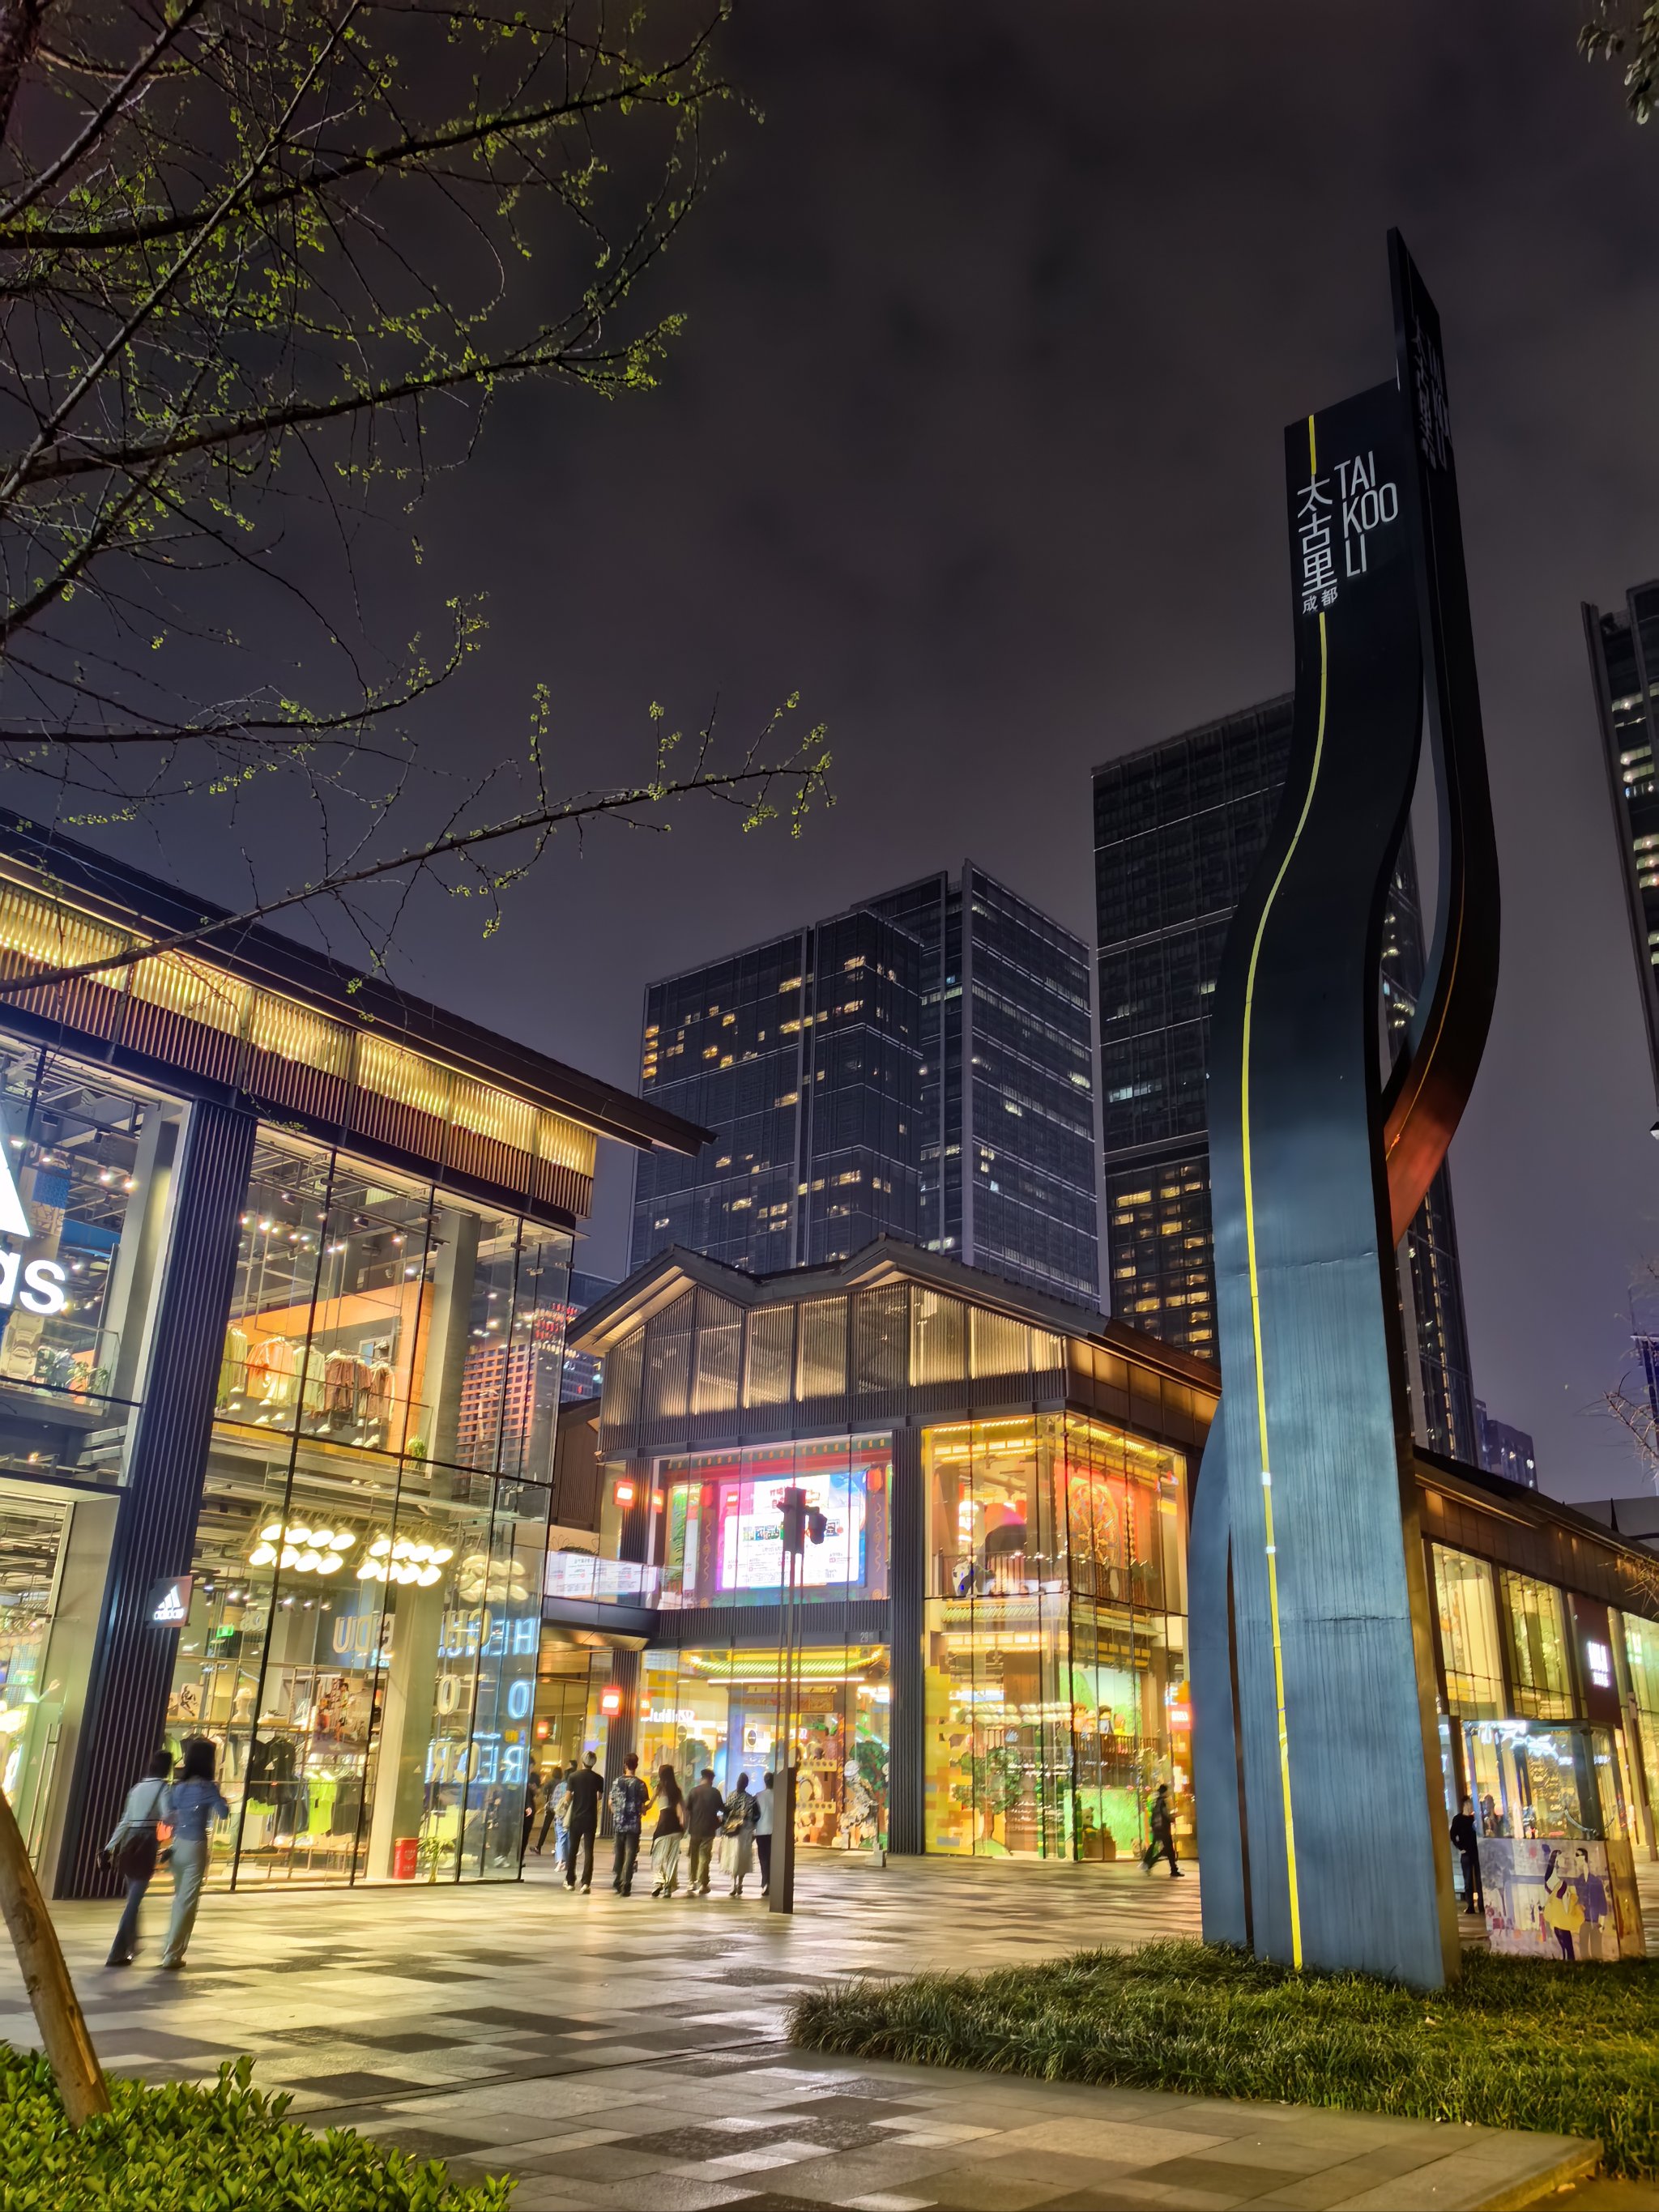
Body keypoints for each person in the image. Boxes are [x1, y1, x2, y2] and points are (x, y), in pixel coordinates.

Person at [160, 1737, 228, 1969]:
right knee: (188, 1902)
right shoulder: (208, 1788)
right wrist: (221, 1800)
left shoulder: (178, 1788)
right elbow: (224, 1813)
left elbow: (168, 1816)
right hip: (196, 1846)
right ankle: (172, 1953)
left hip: (177, 1845)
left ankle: (171, 1947)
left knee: (180, 1899)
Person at [104, 1750, 173, 1967]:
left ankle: (132, 1945)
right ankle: (116, 1952)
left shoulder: (136, 1788)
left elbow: (125, 1820)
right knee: (134, 1900)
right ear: (167, 1768)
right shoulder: (163, 1788)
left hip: (129, 1842)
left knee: (133, 1895)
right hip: (147, 1842)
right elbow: (168, 1814)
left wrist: (110, 1846)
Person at [563, 1750, 604, 1893]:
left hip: (576, 1818)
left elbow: (567, 1798)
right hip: (591, 1818)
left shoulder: (573, 1777)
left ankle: (570, 1881)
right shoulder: (599, 1778)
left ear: (582, 1760)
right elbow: (599, 1797)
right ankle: (586, 1882)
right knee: (589, 1851)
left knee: (573, 1850)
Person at [609, 1754, 647, 1895]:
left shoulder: (616, 1782)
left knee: (619, 1853)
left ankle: (618, 1880)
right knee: (630, 1854)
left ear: (625, 1765)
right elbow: (643, 1809)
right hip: (633, 1825)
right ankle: (626, 1883)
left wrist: (617, 1814)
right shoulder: (641, 1784)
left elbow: (610, 1803)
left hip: (619, 1824)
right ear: (636, 1765)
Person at [684, 1767, 725, 1896]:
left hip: (695, 1829)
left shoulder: (693, 1791)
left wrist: (685, 1826)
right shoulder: (715, 1793)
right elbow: (723, 1809)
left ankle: (691, 1882)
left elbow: (687, 1810)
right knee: (704, 1857)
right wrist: (720, 1821)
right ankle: (703, 1884)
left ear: (702, 1778)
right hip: (708, 1830)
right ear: (710, 1779)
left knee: (693, 1857)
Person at [649, 1762, 684, 1898]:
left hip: (663, 1826)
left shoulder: (659, 1788)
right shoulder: (678, 1789)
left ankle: (658, 1882)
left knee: (658, 1856)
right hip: (675, 1827)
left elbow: (650, 1805)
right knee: (672, 1859)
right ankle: (668, 1887)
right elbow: (683, 1809)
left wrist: (642, 1808)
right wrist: (683, 1824)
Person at [722, 1771, 759, 1898]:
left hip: (732, 1832)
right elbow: (756, 1816)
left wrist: (724, 1827)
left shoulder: (731, 1796)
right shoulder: (750, 1799)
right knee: (742, 1857)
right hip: (745, 1831)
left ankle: (733, 1884)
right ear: (746, 1784)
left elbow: (725, 1813)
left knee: (732, 1857)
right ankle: (740, 1884)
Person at [1449, 1796, 1483, 1916]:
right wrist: (1460, 1847)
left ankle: (1481, 1905)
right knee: (1468, 1880)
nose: (1471, 1807)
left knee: (1479, 1880)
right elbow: (1453, 1835)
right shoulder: (1458, 1819)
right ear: (1465, 1805)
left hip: (1476, 1852)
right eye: (1469, 1804)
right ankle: (1470, 1906)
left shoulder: (1474, 1819)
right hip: (1466, 1854)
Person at [1141, 1784, 1181, 1877]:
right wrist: (1172, 1818)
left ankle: (1172, 1869)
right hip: (1163, 1829)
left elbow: (1157, 1815)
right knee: (1168, 1850)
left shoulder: (1157, 1802)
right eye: (1167, 1791)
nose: (1168, 1793)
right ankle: (1151, 1864)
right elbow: (1165, 1815)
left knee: (1168, 1850)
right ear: (1164, 1792)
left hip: (1158, 1829)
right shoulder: (1162, 1802)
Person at [754, 1771, 775, 1896]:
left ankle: (765, 1883)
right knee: (773, 1858)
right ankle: (771, 1882)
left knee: (763, 1859)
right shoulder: (780, 1795)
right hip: (775, 1831)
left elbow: (754, 1815)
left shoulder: (758, 1796)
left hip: (761, 1831)